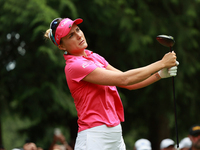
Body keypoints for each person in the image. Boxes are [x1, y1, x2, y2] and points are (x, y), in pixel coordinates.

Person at [44, 17, 178, 150]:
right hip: (94, 137)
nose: (79, 35)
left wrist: (159, 74)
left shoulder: (95, 57)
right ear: (62, 46)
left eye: (78, 30)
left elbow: (128, 84)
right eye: (71, 35)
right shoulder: (74, 66)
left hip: (115, 134)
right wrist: (161, 63)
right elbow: (124, 79)